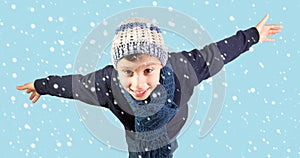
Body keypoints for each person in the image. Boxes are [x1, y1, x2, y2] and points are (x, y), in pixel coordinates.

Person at [17, 13, 282, 158]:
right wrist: (42, 85)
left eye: (148, 70)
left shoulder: (182, 69)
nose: (138, 83)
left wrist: (253, 35)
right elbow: (74, 85)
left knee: (165, 150)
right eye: (128, 72)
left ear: (162, 64)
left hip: (171, 133)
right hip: (137, 145)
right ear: (117, 70)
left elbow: (217, 53)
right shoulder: (107, 84)